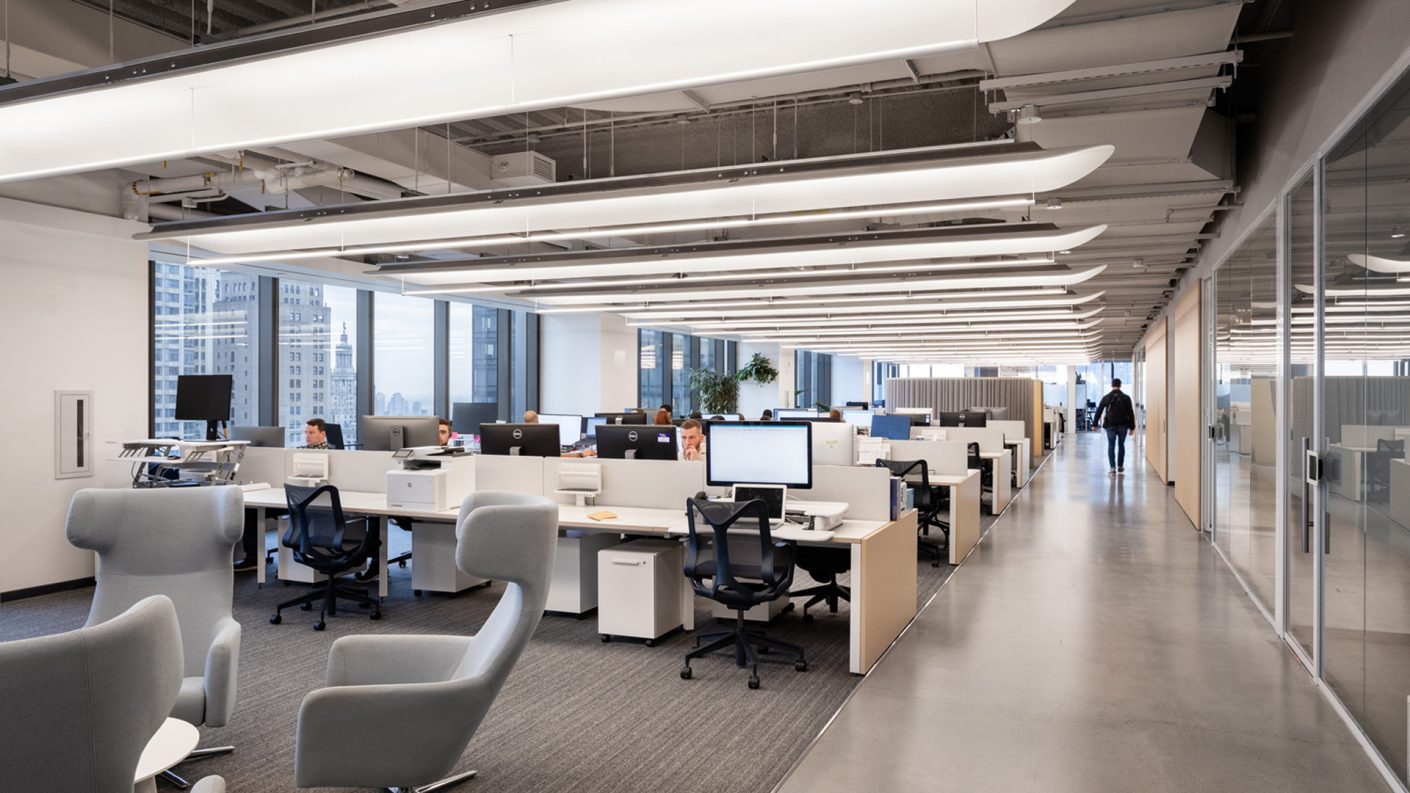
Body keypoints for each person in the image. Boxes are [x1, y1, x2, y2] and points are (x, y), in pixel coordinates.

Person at [1090, 378, 1136, 476]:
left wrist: (1094, 425)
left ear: (1112, 385)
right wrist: (1132, 427)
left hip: (1110, 425)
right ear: (1120, 385)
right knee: (1121, 444)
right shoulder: (1126, 398)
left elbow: (1099, 411)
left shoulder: (1107, 397)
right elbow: (1131, 413)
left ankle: (1112, 468)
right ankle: (1120, 466)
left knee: (1111, 445)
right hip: (1123, 425)